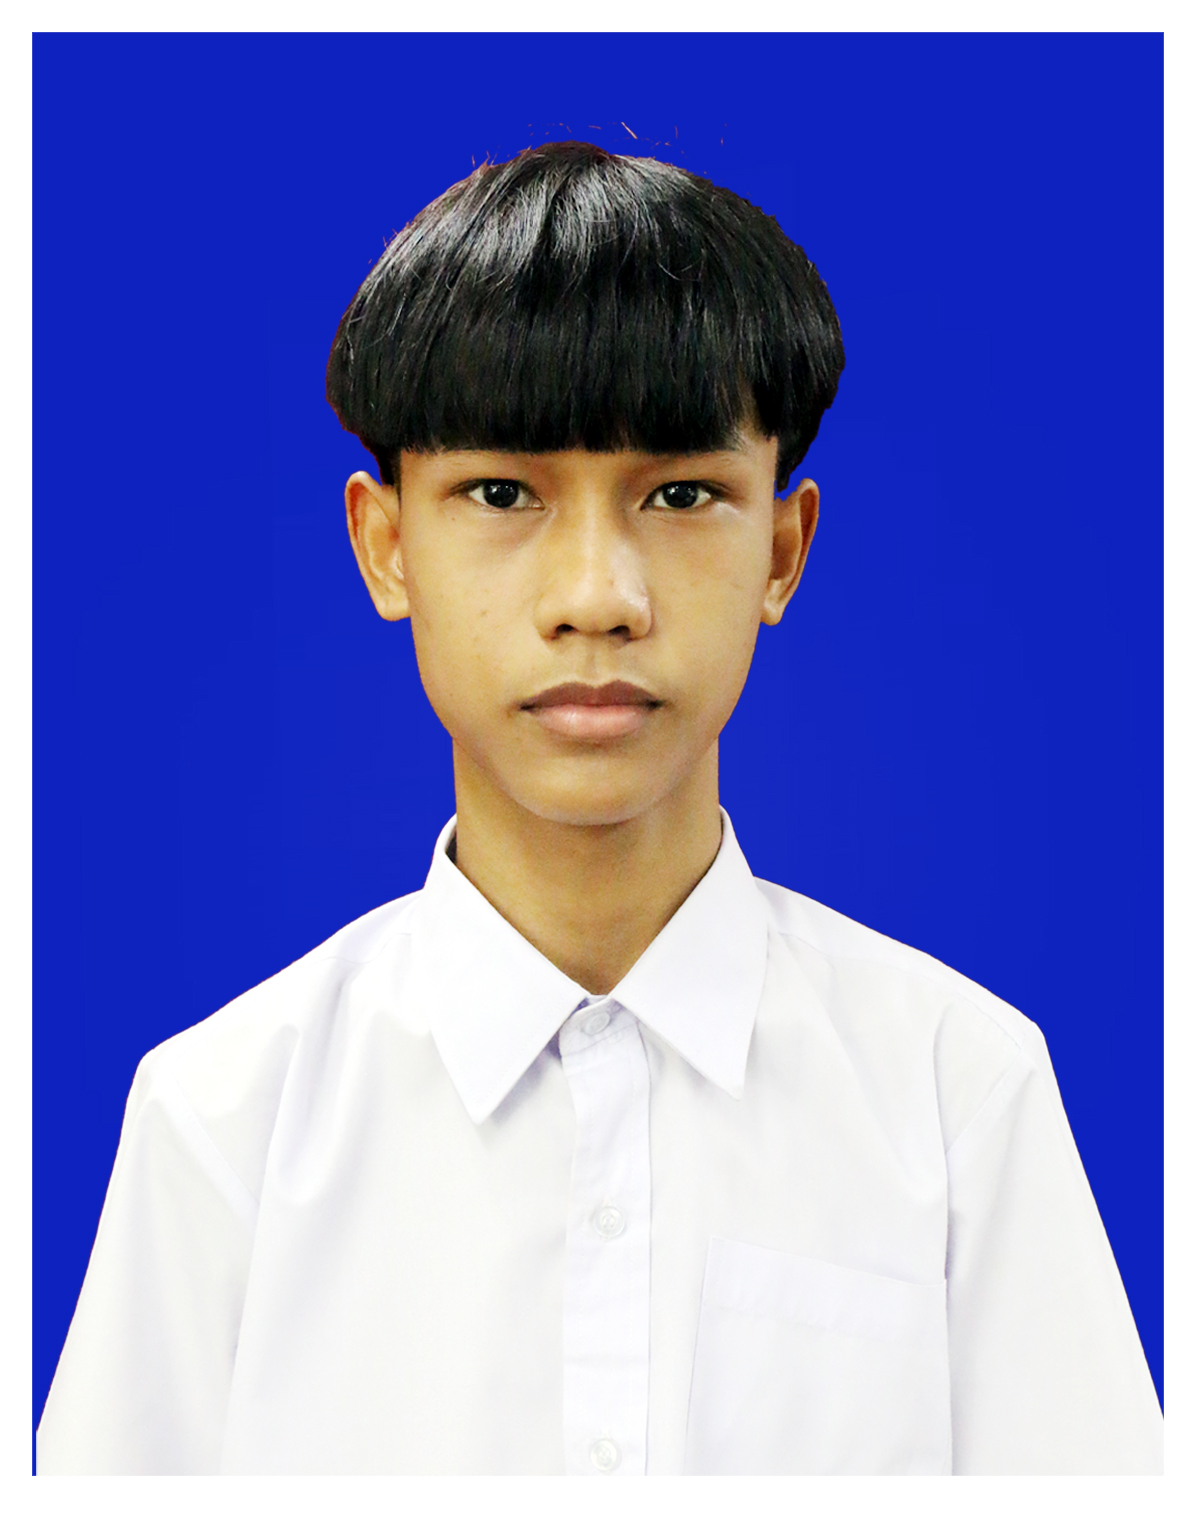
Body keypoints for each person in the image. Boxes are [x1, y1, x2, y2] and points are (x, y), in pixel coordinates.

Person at [36, 141, 1161, 1476]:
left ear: (783, 551)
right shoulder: (225, 1120)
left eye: (681, 495)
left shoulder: (957, 1090)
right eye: (501, 493)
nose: (596, 597)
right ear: (387, 546)